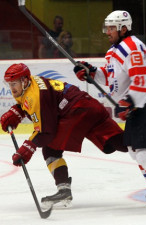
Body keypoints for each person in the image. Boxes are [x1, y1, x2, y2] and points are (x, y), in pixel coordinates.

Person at [73, 10, 146, 215]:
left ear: (123, 28)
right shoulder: (115, 50)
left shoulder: (132, 47)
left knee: (145, 153)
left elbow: (142, 79)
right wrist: (91, 72)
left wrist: (129, 102)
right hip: (139, 105)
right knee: (134, 150)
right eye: (106, 27)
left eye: (111, 28)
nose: (107, 32)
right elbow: (110, 77)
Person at [0, 63, 128, 207]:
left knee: (50, 149)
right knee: (123, 143)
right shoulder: (31, 83)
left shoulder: (34, 96)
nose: (11, 88)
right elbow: (29, 103)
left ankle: (64, 191)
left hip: (76, 112)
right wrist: (17, 112)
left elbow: (46, 132)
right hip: (90, 106)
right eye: (9, 84)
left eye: (14, 84)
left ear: (24, 81)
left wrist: (28, 146)